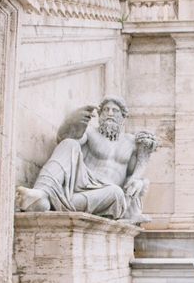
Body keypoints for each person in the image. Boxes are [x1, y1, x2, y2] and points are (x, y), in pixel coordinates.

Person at [16, 95, 158, 223]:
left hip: (108, 194)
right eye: (106, 110)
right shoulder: (90, 133)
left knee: (116, 192)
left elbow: (135, 174)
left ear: (123, 116)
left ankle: (51, 202)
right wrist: (71, 122)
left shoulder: (131, 142)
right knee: (70, 143)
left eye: (115, 110)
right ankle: (41, 194)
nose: (110, 113)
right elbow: (62, 139)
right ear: (100, 114)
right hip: (82, 186)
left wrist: (138, 180)